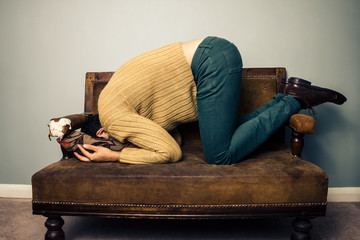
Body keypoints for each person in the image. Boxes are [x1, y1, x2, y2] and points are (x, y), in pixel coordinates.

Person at [75, 36, 346, 164]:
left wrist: (114, 154)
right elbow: (174, 140)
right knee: (225, 136)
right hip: (212, 55)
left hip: (209, 63)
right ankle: (286, 97)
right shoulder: (118, 102)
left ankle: (293, 101)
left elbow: (170, 152)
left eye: (105, 141)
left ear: (102, 131)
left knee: (220, 155)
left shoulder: (112, 117)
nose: (123, 140)